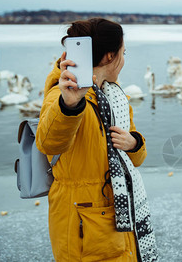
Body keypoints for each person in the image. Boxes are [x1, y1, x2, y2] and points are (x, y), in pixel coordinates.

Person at [36, 18, 158, 261]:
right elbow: (48, 143)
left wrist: (133, 143)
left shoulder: (113, 96)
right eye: (123, 52)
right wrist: (69, 105)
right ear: (110, 56)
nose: (124, 59)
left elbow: (137, 159)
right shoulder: (61, 95)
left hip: (116, 211)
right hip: (81, 220)